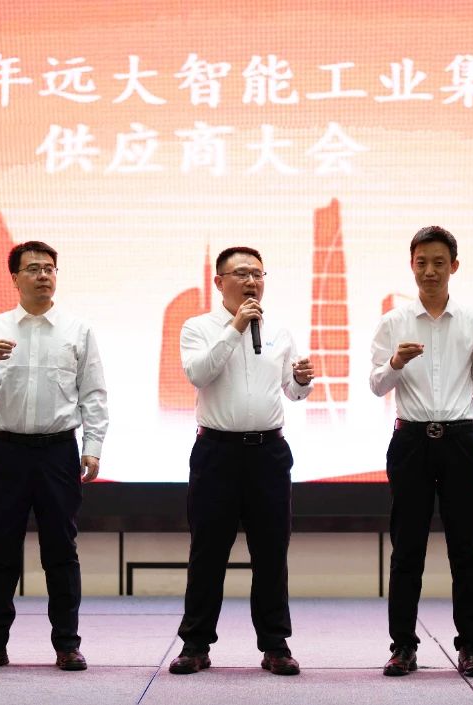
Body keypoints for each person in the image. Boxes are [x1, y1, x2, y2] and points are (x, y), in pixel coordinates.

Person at [0, 241, 108, 672]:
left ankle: (67, 645)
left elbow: (94, 394)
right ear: (15, 278)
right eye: (33, 269)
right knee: (1, 549)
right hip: (7, 451)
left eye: (49, 268)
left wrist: (92, 447)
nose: (43, 275)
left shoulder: (77, 330)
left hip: (58, 451)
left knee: (61, 550)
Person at [168, 246, 313, 677]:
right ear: (219, 282)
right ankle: (195, 644)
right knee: (208, 551)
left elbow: (292, 391)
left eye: (258, 274)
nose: (252, 282)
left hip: (269, 453)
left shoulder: (279, 331)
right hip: (217, 453)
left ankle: (275, 645)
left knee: (272, 551)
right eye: (242, 273)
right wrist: (235, 328)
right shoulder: (197, 328)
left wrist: (301, 381)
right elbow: (199, 374)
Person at [369, 225, 473, 678]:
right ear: (412, 265)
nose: (430, 271)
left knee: (467, 549)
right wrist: (395, 362)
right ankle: (403, 646)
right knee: (407, 548)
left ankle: (470, 648)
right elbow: (375, 384)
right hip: (411, 442)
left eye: (439, 263)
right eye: (422, 262)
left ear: (454, 267)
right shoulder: (393, 322)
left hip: (461, 440)